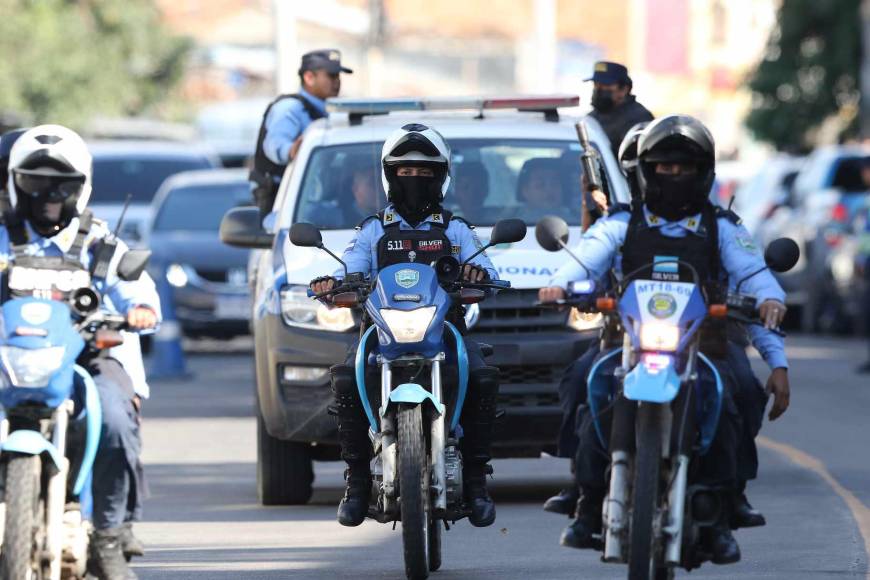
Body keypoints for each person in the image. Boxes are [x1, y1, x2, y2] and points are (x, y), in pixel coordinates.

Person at [539, 115, 790, 564]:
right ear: (646, 172)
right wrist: (561, 285)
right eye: (664, 168)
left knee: (742, 393)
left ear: (705, 173)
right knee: (588, 380)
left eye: (685, 169)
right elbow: (585, 259)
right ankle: (588, 497)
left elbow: (757, 278)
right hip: (629, 342)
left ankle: (722, 508)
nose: (673, 177)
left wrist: (776, 343)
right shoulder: (621, 223)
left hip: (704, 346)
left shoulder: (722, 227)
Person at [309, 123, 501, 528]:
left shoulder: (457, 229)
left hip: (445, 333)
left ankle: (477, 482)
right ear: (389, 175)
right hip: (380, 335)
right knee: (345, 376)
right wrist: (332, 283)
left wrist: (479, 275)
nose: (415, 180)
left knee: (482, 377)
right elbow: (350, 268)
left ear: (442, 177)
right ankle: (358, 483)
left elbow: (486, 267)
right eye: (406, 172)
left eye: (425, 172)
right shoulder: (372, 229)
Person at [2, 125, 162, 580]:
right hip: (8, 358)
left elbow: (135, 288)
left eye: (60, 186)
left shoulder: (98, 243)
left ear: (81, 188)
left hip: (82, 359)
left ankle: (109, 537)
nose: (48, 196)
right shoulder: (2, 238)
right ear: (16, 184)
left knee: (113, 414)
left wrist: (142, 309)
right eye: (35, 184)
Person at [250, 49, 353, 216]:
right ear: (309, 77)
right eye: (331, 76)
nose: (337, 82)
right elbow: (275, 144)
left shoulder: (330, 111)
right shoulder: (290, 108)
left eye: (338, 77)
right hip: (280, 205)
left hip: (317, 205)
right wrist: (290, 151)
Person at [586, 61, 654, 159]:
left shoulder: (639, 118)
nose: (598, 89)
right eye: (596, 84)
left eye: (605, 85)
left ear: (624, 90)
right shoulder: (591, 118)